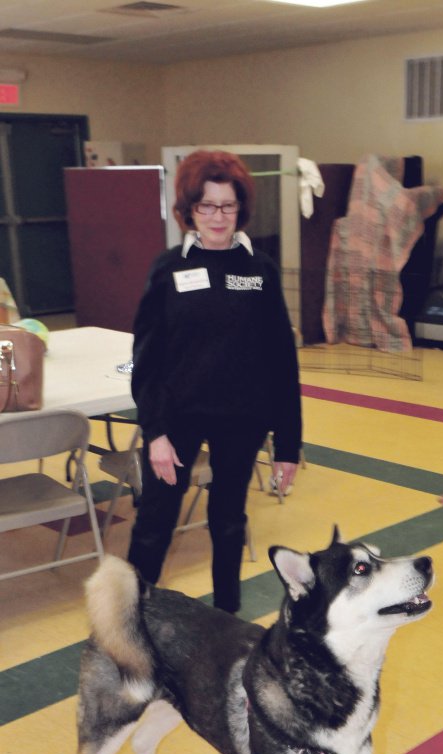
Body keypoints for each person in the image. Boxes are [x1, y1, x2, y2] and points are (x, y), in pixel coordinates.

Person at [128, 149, 302, 613]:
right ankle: (128, 620)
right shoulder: (169, 269)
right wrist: (156, 433)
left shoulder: (259, 270)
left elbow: (282, 362)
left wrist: (288, 445)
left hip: (241, 419)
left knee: (228, 522)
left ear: (240, 209)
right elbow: (147, 360)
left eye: (227, 206)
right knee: (155, 522)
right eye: (206, 206)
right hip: (177, 417)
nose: (217, 217)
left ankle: (226, 619)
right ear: (189, 211)